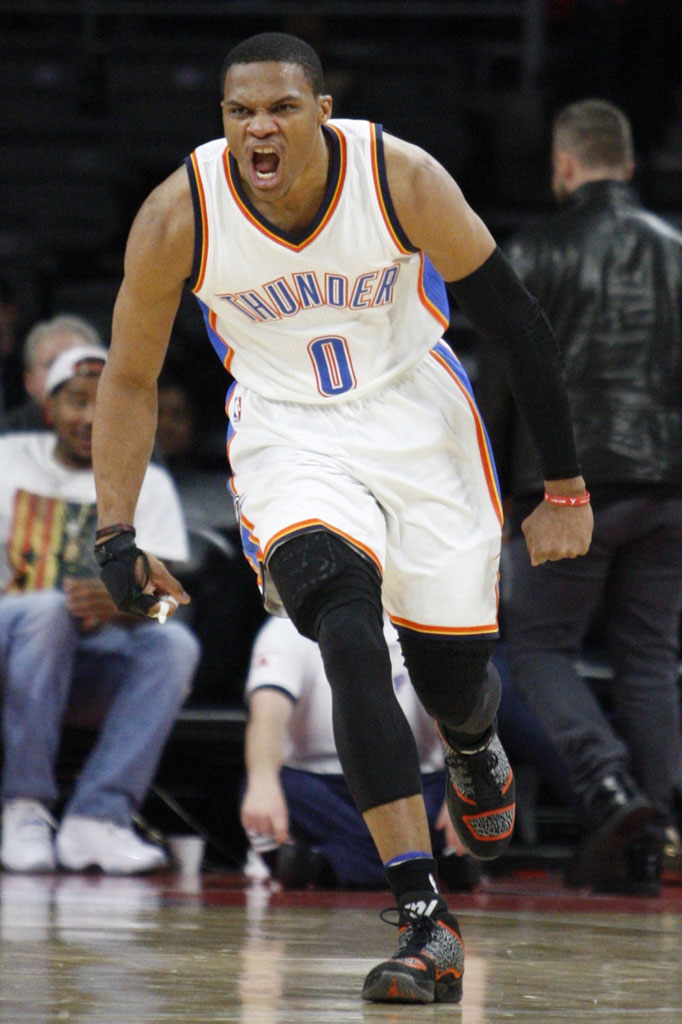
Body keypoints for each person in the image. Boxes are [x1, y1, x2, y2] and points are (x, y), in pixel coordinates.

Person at [90, 33, 592, 1004]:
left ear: (322, 110)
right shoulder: (177, 215)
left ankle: (469, 733)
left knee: (448, 672)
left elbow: (517, 322)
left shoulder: (397, 175)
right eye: (240, 113)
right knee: (347, 634)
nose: (259, 129)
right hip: (288, 439)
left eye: (280, 107)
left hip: (418, 422)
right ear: (223, 123)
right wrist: (115, 532)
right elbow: (131, 375)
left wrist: (561, 485)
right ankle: (422, 916)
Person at [479, 99, 682, 895]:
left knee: (536, 646)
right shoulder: (679, 251)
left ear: (565, 167)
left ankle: (607, 789)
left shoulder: (533, 250)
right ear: (627, 166)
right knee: (651, 662)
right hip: (671, 484)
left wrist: (491, 494)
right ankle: (654, 838)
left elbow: (498, 383)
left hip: (567, 487)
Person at [0, 344, 200, 875]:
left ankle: (98, 817)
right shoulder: (7, 459)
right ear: (49, 410)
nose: (90, 416)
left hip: (87, 666)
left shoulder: (149, 483)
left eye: (105, 402)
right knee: (49, 611)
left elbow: (169, 610)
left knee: (176, 646)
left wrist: (126, 606)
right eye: (76, 401)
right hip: (10, 648)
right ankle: (25, 805)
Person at [241, 613, 481, 891]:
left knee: (473, 789)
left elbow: (461, 719)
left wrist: (463, 789)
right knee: (260, 782)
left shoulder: (423, 623)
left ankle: (322, 867)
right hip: (322, 788)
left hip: (410, 786)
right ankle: (425, 866)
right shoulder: (287, 627)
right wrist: (262, 783)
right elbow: (266, 715)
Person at [0, 314, 102, 434]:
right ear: (29, 381)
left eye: (76, 363)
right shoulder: (6, 434)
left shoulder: (117, 429)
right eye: (52, 364)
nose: (63, 373)